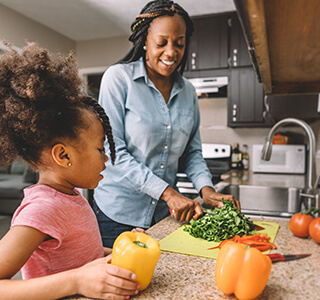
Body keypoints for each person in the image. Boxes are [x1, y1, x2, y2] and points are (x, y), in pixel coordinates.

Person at [0, 42, 141, 300]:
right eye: (100, 149)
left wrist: (123, 250)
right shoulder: (42, 209)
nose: (106, 158)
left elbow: (86, 257)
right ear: (64, 155)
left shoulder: (71, 196)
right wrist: (76, 282)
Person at [94, 0, 240, 248]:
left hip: (163, 217)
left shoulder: (188, 92)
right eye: (161, 42)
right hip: (116, 216)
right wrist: (169, 193)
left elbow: (192, 153)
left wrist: (206, 189)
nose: (171, 52)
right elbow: (113, 151)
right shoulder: (118, 79)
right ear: (144, 41)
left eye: (179, 43)